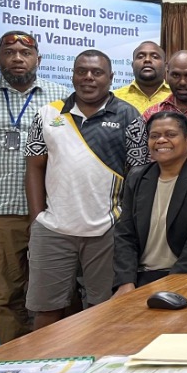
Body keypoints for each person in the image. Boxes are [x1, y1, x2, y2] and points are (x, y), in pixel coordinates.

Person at [25, 50, 149, 329]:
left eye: (97, 72)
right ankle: (44, 372)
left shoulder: (130, 116)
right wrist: (36, 219)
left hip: (107, 230)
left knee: (104, 312)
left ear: (111, 78)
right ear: (73, 75)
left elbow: (138, 174)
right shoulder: (48, 114)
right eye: (82, 71)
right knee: (46, 312)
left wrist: (125, 222)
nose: (88, 78)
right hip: (53, 229)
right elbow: (34, 167)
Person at [0, 31, 69, 343]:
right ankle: (13, 367)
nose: (17, 58)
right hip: (0, 213)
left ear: (38, 60)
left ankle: (52, 360)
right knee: (6, 299)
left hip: (50, 214)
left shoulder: (60, 97)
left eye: (25, 53)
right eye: (9, 51)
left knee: (55, 297)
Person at [112, 112, 187, 296]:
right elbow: (125, 234)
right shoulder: (137, 176)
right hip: (139, 277)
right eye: (154, 136)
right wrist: (126, 281)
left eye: (170, 134)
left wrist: (172, 283)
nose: (161, 140)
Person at [113, 41, 171, 113]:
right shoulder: (115, 98)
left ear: (165, 66)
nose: (147, 60)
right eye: (140, 57)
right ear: (132, 65)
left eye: (155, 57)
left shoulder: (175, 96)